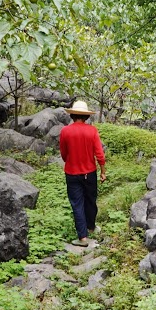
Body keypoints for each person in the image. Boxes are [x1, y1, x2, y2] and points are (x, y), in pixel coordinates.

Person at [58, 101, 106, 247]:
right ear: (85, 117)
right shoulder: (92, 131)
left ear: (72, 115)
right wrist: (103, 172)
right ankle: (91, 227)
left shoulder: (65, 131)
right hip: (90, 173)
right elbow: (100, 154)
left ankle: (82, 238)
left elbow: (64, 154)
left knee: (77, 204)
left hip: (72, 173)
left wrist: (71, 161)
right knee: (91, 200)